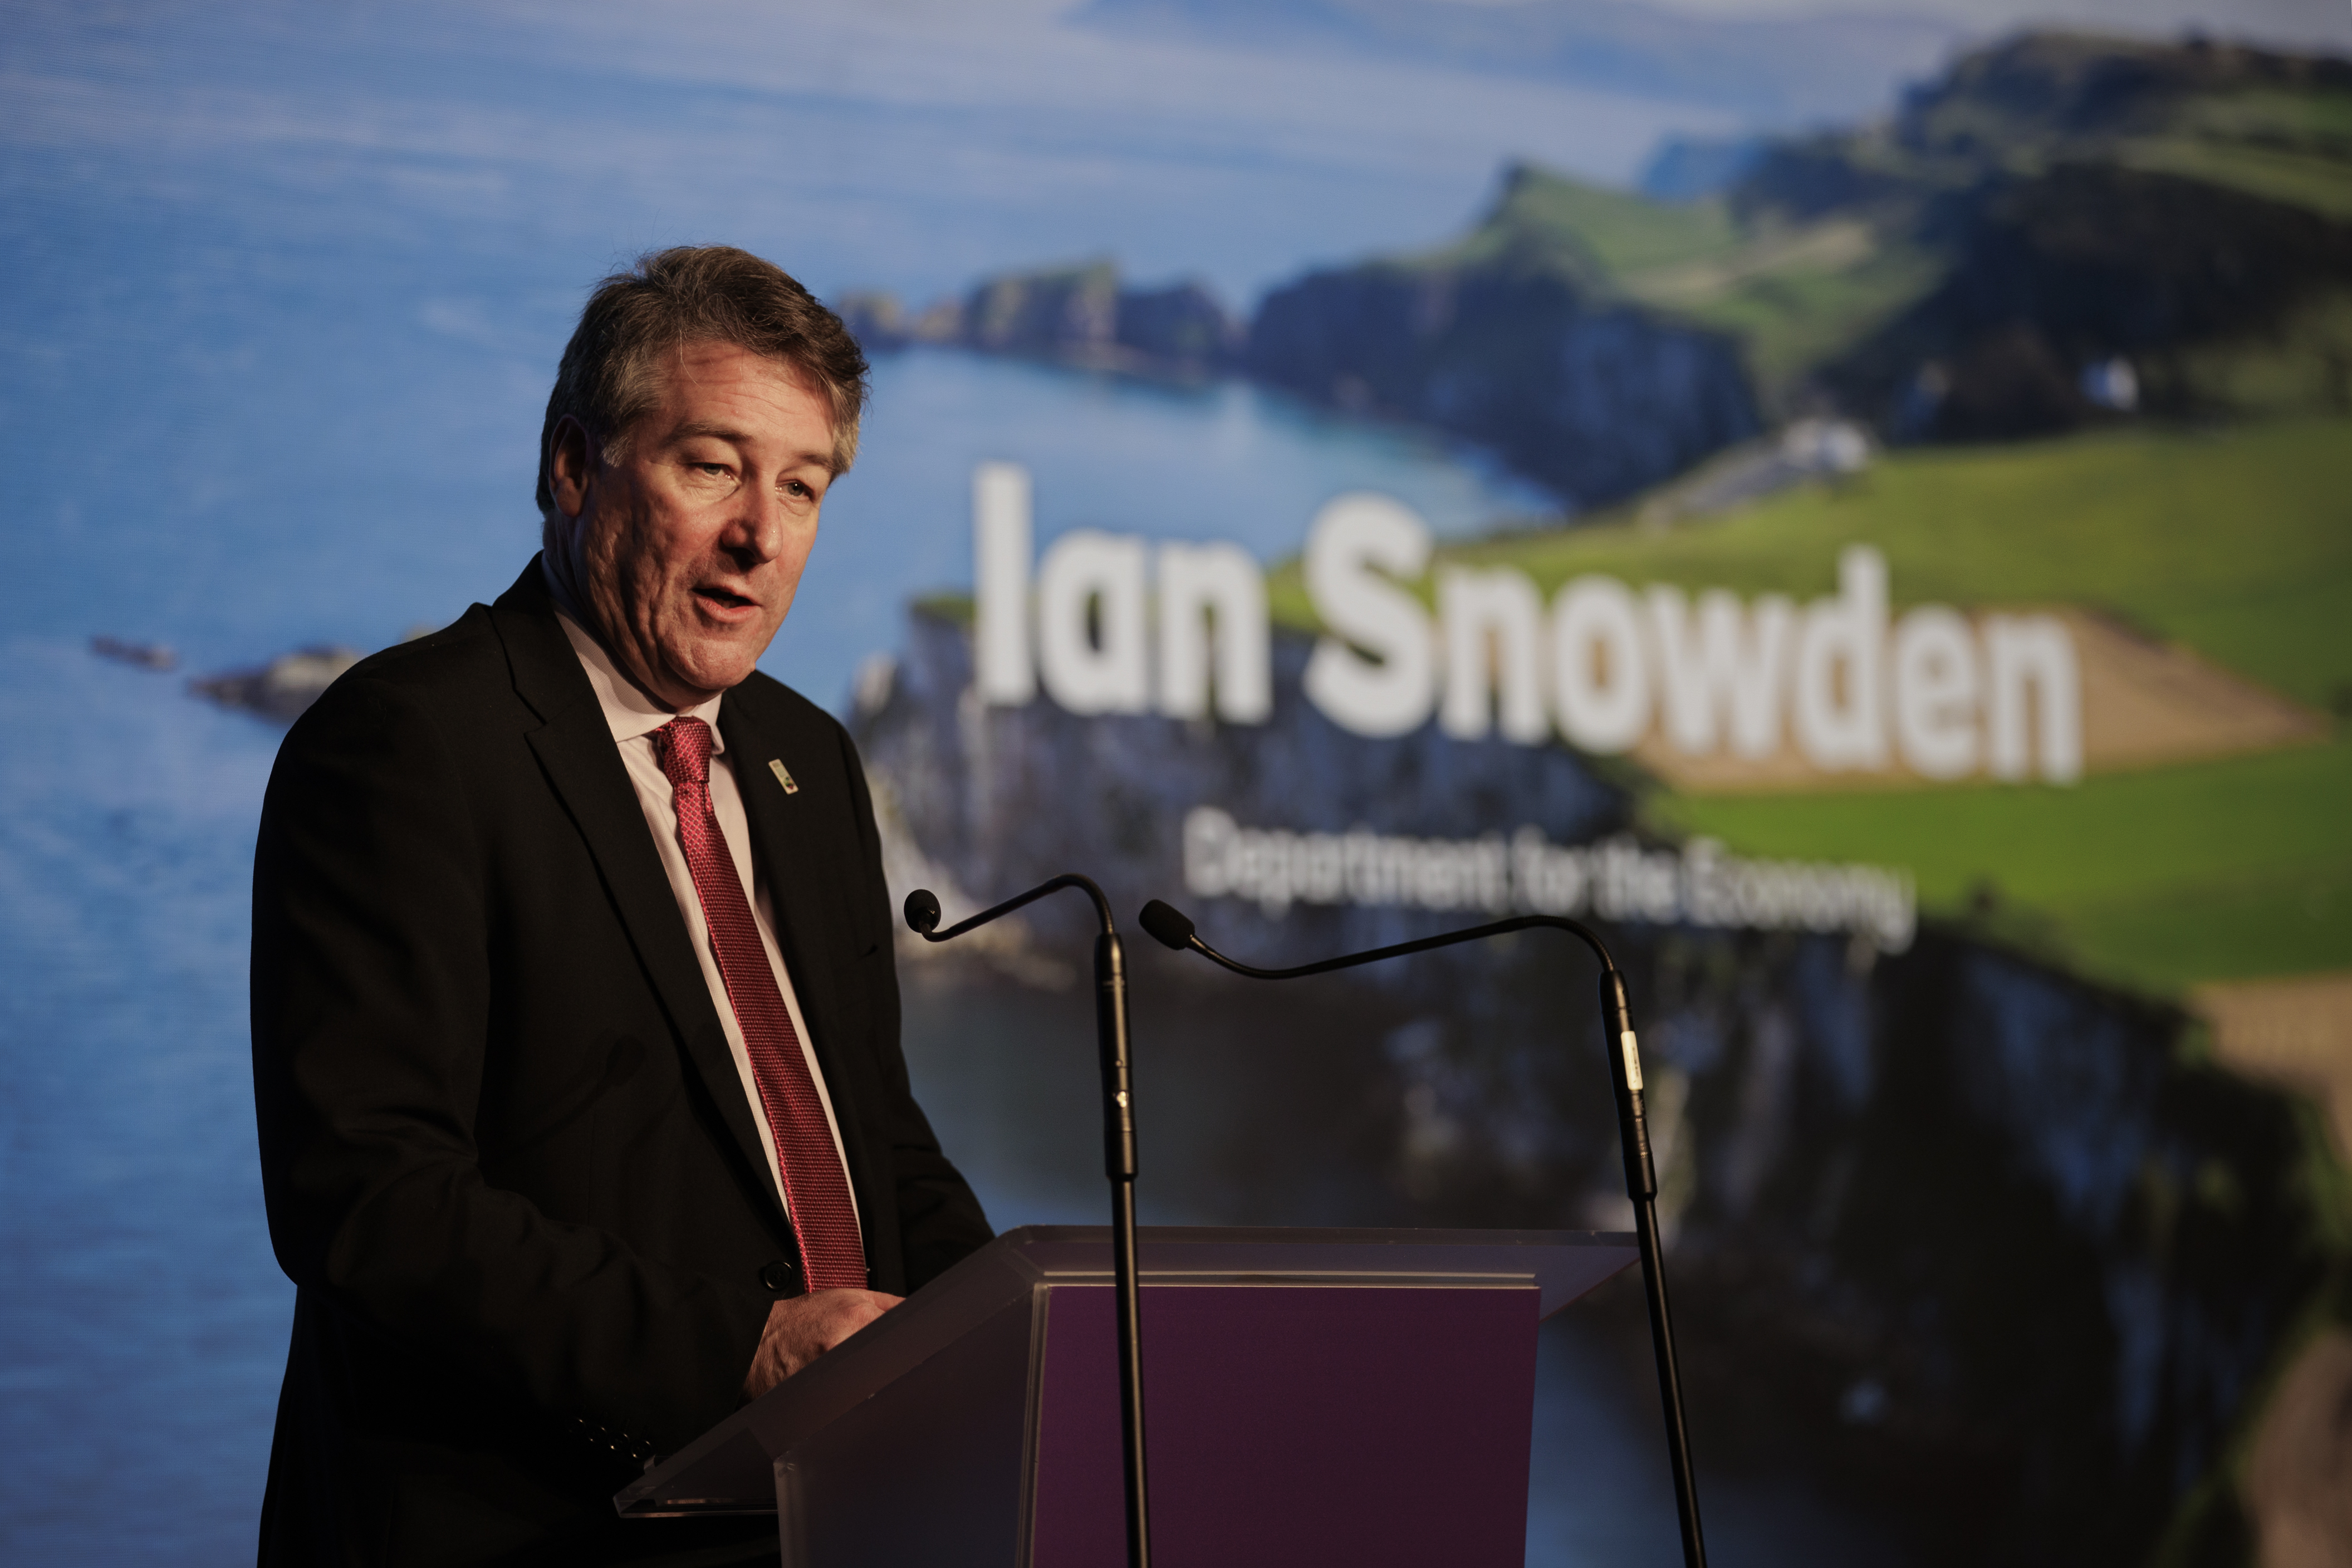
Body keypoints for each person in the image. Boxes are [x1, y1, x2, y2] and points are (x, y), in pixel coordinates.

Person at [250, 246, 993, 1566]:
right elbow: (368, 1196)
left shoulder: (807, 759)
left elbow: (873, 1135)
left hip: (826, 1522)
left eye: (803, 486)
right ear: (572, 465)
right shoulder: (410, 744)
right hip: (527, 1527)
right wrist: (745, 1352)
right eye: (713, 466)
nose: (762, 534)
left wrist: (1008, 1332)